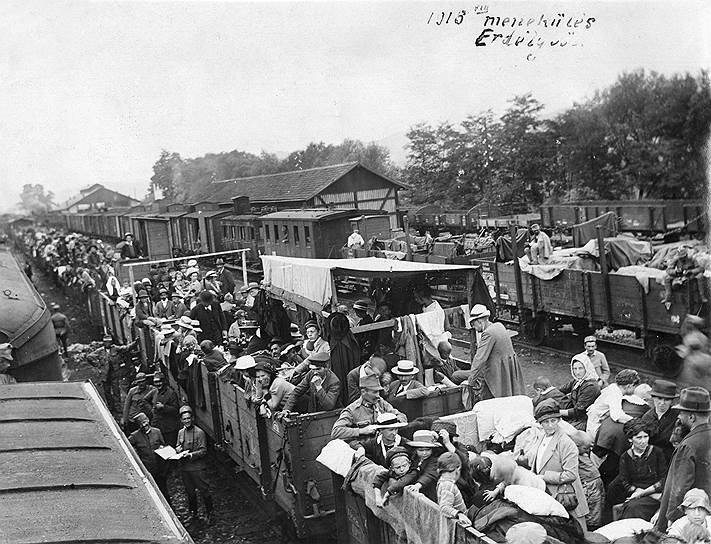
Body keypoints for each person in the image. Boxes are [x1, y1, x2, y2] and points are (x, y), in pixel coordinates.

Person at [524, 399, 589, 531]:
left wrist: (544, 477)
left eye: (553, 421)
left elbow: (571, 474)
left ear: (559, 420)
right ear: (540, 423)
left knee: (575, 534)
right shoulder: (543, 436)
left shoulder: (566, 443)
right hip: (549, 495)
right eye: (546, 422)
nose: (550, 425)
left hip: (566, 497)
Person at [655, 387, 711, 531]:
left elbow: (679, 488)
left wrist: (671, 517)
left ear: (692, 417)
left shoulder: (688, 445)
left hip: (687, 516)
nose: (679, 416)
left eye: (681, 412)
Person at [463, 304, 525, 408]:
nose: (474, 328)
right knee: (509, 398)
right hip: (508, 369)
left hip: (498, 371)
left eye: (474, 324)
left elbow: (480, 359)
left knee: (490, 402)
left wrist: (470, 381)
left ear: (480, 321)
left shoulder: (488, 333)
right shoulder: (499, 326)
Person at [605, 418, 665, 521]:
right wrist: (638, 492)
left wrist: (646, 493)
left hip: (656, 494)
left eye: (645, 437)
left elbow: (663, 479)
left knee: (634, 507)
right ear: (630, 439)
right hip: (636, 494)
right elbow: (625, 482)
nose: (643, 441)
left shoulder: (657, 452)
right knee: (632, 507)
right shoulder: (625, 456)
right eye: (639, 438)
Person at [331, 373, 406, 442]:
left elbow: (401, 416)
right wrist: (361, 431)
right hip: (364, 450)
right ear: (363, 392)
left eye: (378, 392)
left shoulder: (381, 402)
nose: (378, 395)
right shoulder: (352, 410)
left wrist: (394, 425)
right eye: (374, 392)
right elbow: (335, 432)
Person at [176, 405, 214, 523]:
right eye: (184, 419)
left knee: (204, 491)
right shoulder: (180, 432)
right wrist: (178, 449)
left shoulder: (199, 433)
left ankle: (210, 514)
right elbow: (178, 445)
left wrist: (191, 455)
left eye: (188, 418)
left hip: (197, 468)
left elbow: (203, 451)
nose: (186, 421)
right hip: (185, 468)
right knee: (190, 492)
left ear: (192, 418)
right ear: (181, 420)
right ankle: (194, 513)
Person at [586, 368, 641, 441]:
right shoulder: (615, 394)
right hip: (595, 430)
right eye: (635, 387)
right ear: (629, 386)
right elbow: (617, 416)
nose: (634, 390)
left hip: (594, 423)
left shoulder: (613, 387)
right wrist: (637, 422)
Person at [128, 412, 170, 501]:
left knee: (164, 492)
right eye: (141, 424)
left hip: (160, 469)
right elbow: (127, 448)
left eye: (144, 422)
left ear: (148, 420)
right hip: (147, 471)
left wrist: (162, 448)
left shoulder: (157, 432)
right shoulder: (134, 436)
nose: (144, 425)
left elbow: (163, 445)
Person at [570, 431, 603, 530]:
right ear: (576, 445)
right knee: (594, 509)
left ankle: (593, 531)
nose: (587, 451)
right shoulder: (573, 454)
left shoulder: (579, 452)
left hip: (591, 484)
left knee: (595, 510)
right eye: (585, 448)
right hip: (591, 484)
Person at [558, 354, 601, 430]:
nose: (577, 372)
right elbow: (560, 390)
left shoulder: (590, 386)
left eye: (580, 368)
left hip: (584, 420)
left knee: (560, 430)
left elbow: (578, 412)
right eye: (575, 368)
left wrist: (557, 412)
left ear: (586, 368)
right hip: (574, 415)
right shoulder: (577, 381)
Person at [640, 380, 679, 463]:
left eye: (667, 399)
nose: (662, 403)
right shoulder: (647, 417)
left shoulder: (677, 417)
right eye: (659, 398)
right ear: (653, 397)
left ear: (672, 401)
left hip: (668, 460)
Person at [404, 430, 443, 502]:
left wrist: (418, 485)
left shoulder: (435, 460)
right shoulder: (413, 458)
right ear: (415, 449)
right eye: (421, 450)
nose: (424, 453)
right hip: (416, 490)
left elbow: (429, 474)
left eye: (428, 450)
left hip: (430, 492)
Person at [436, 452, 473, 527]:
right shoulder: (448, 485)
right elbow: (444, 507)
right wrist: (459, 514)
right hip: (459, 524)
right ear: (458, 468)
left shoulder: (442, 480)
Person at [151, 372, 180, 447]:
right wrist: (151, 409)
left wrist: (163, 407)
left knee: (170, 448)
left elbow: (175, 409)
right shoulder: (155, 391)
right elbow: (145, 400)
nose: (158, 384)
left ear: (163, 381)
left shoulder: (171, 393)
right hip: (158, 426)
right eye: (155, 382)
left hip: (169, 428)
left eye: (159, 381)